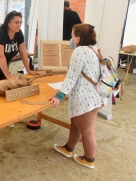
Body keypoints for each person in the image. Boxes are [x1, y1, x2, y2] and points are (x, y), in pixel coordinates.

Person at [49, 24, 104, 169]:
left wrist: (59, 96)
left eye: (72, 36)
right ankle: (68, 148)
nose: (71, 39)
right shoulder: (92, 50)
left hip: (85, 99)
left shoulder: (79, 51)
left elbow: (71, 77)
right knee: (76, 124)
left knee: (87, 131)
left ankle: (89, 159)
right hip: (92, 97)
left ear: (78, 38)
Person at [0, 10, 40, 84]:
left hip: (0, 62)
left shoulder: (19, 33)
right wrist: (8, 75)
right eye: (16, 22)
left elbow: (23, 53)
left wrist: (29, 70)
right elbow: (0, 56)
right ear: (8, 23)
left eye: (20, 22)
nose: (19, 25)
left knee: (3, 84)